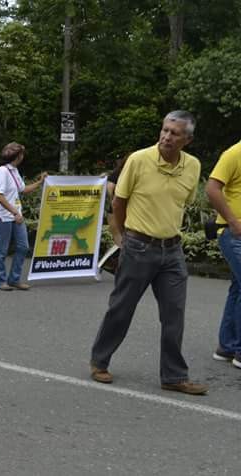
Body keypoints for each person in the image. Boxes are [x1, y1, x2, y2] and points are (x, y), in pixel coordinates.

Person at [90, 110, 208, 395]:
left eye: (174, 133)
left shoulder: (192, 166)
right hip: (139, 247)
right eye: (165, 130)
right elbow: (119, 201)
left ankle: (174, 375)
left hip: (173, 251)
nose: (167, 136)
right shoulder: (139, 160)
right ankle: (99, 361)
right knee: (122, 308)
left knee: (174, 314)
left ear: (187, 140)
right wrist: (119, 236)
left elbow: (185, 201)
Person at [0, 142, 46, 291]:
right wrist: (15, 212)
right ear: (17, 156)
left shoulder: (13, 170)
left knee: (23, 247)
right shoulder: (2, 171)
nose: (23, 156)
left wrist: (40, 182)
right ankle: (0, 281)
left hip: (15, 216)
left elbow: (23, 189)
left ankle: (14, 279)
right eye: (22, 153)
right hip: (3, 216)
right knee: (2, 250)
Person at [206, 140, 241, 369]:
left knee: (238, 287)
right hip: (233, 233)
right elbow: (211, 188)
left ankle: (227, 347)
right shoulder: (235, 153)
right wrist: (233, 221)